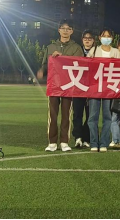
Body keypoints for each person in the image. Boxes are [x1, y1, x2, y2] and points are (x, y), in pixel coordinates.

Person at [37, 19, 84, 152]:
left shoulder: (76, 48)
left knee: (66, 115)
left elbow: (80, 64)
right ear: (59, 30)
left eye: (68, 28)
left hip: (68, 85)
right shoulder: (51, 47)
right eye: (63, 28)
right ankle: (52, 142)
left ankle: (64, 141)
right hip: (54, 85)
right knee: (52, 115)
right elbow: (45, 65)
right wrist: (42, 71)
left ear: (72, 31)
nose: (65, 31)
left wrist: (63, 57)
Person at [87, 28, 120, 152]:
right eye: (104, 35)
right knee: (92, 117)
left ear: (112, 38)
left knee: (107, 117)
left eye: (108, 36)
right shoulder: (94, 50)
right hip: (95, 88)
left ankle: (104, 143)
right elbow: (86, 66)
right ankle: (94, 143)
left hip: (109, 89)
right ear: (100, 38)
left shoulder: (116, 52)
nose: (106, 38)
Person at [72, 29, 96, 149]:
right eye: (85, 38)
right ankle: (78, 137)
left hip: (92, 88)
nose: (87, 40)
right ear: (82, 40)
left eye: (89, 38)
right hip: (78, 87)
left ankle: (87, 138)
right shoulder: (77, 51)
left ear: (93, 40)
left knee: (90, 115)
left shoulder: (97, 52)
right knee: (77, 114)